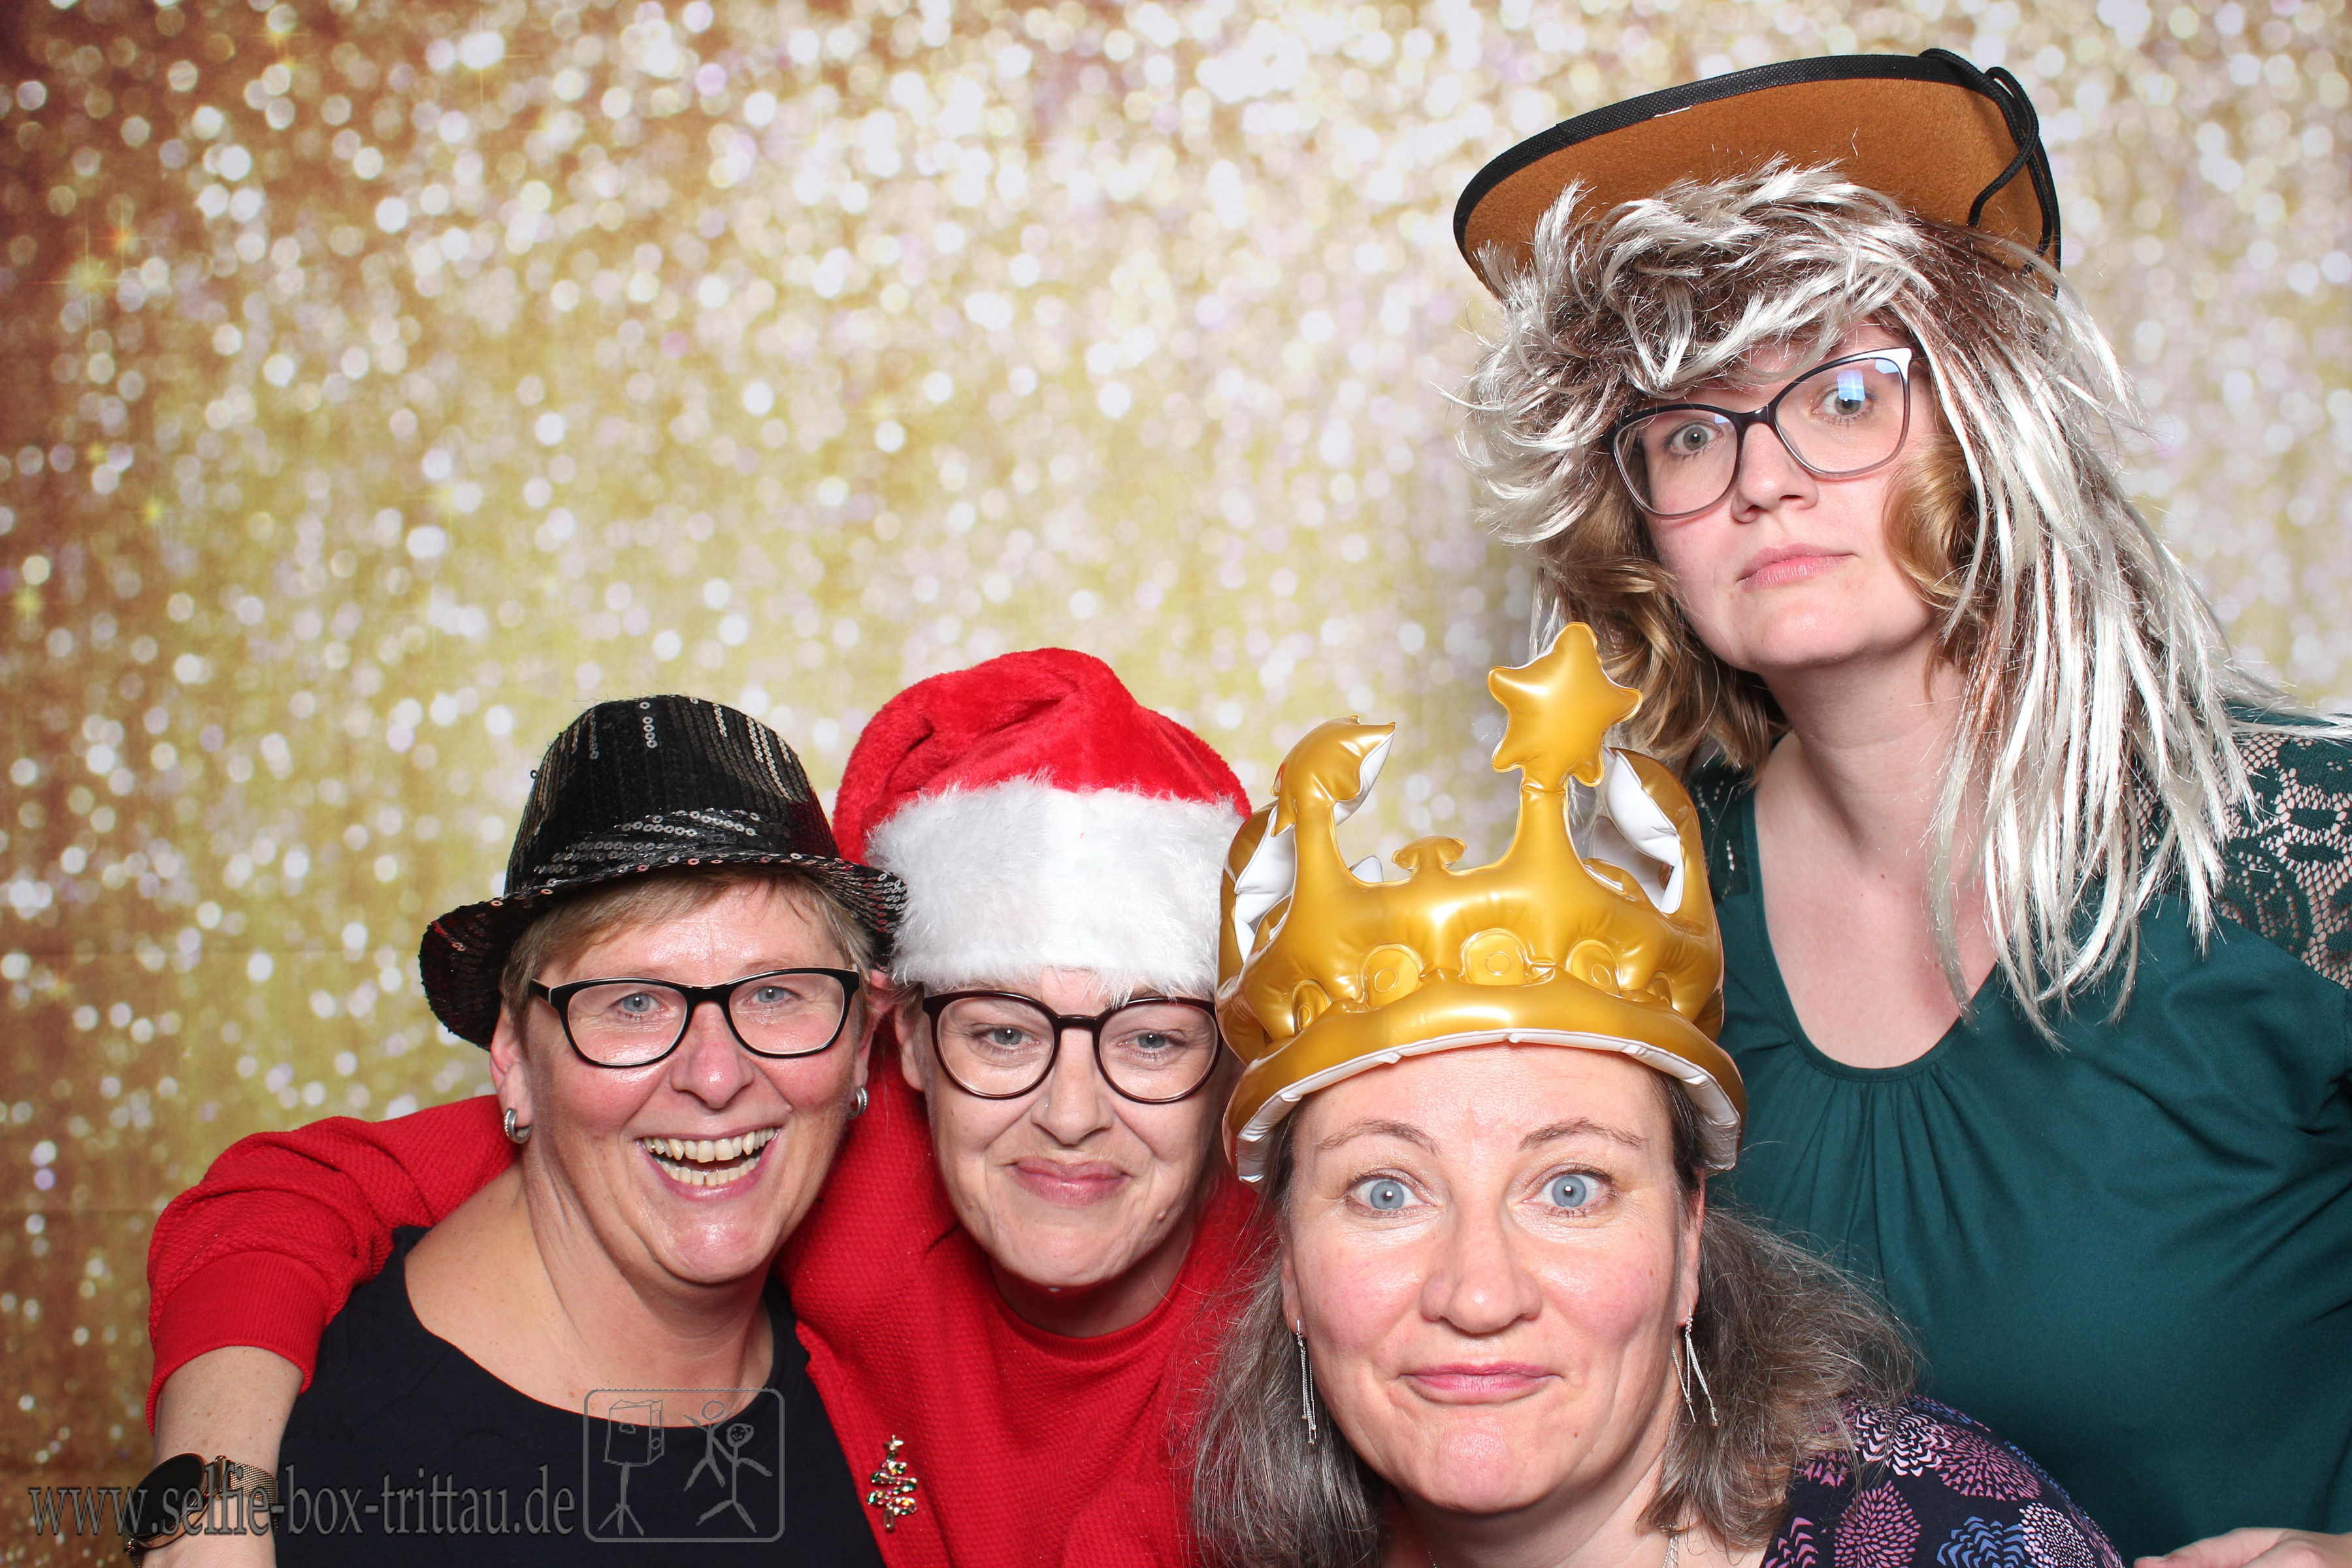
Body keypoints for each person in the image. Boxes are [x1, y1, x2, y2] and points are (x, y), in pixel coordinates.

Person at [1450, 50, 2352, 1567]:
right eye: (1690, 431)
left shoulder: (2301, 852)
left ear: (1988, 425)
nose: (1763, 481)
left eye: (1846, 395)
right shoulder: (1644, 927)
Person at [143, 650, 1256, 1565]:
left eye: (1152, 1038)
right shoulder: (862, 1166)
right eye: (1002, 1032)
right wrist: (208, 1517)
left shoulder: (1295, 1299)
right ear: (907, 1040)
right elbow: (289, 1193)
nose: (1070, 1110)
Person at [1192, 627, 2117, 1568]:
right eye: (1385, 1192)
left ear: (1687, 1239)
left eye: (1572, 1188)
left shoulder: (1959, 1541)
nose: (1478, 1296)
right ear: (1292, 1267)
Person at [129, 695, 903, 1564]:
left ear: (864, 1036)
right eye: (633, 1003)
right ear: (515, 1053)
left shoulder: (870, 1327)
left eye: (776, 993)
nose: (716, 1076)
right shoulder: (356, 1480)